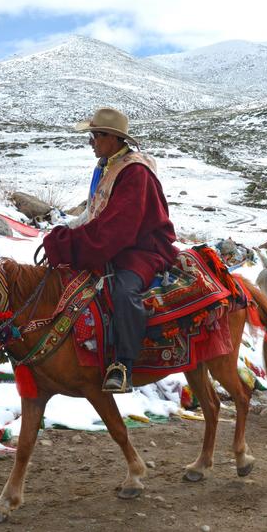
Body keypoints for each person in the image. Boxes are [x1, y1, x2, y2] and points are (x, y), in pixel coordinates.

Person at [42, 107, 178, 393]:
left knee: (123, 291)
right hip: (118, 244)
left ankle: (124, 364)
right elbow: (95, 215)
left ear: (113, 139)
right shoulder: (106, 166)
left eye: (95, 136)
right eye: (91, 136)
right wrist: (63, 235)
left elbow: (116, 230)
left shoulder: (134, 172)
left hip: (142, 249)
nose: (91, 142)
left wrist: (68, 244)